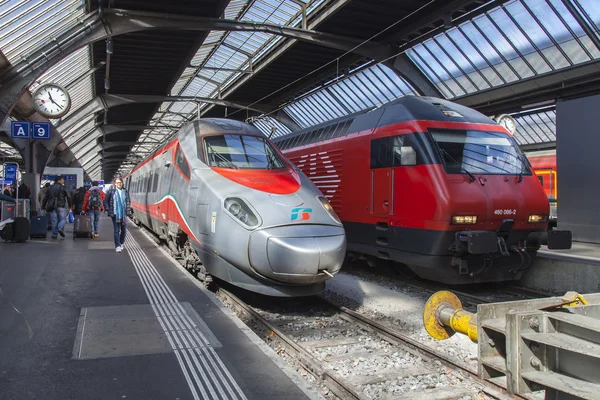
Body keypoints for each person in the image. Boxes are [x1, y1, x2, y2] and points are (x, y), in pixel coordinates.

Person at [103, 177, 131, 252]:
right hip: (115, 214)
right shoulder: (111, 191)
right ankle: (117, 246)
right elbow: (105, 201)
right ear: (115, 184)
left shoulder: (125, 191)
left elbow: (128, 201)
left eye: (120, 182)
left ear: (122, 183)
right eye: (118, 182)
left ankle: (121, 242)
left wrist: (128, 210)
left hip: (123, 214)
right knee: (116, 230)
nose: (119, 184)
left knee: (124, 231)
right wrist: (108, 209)